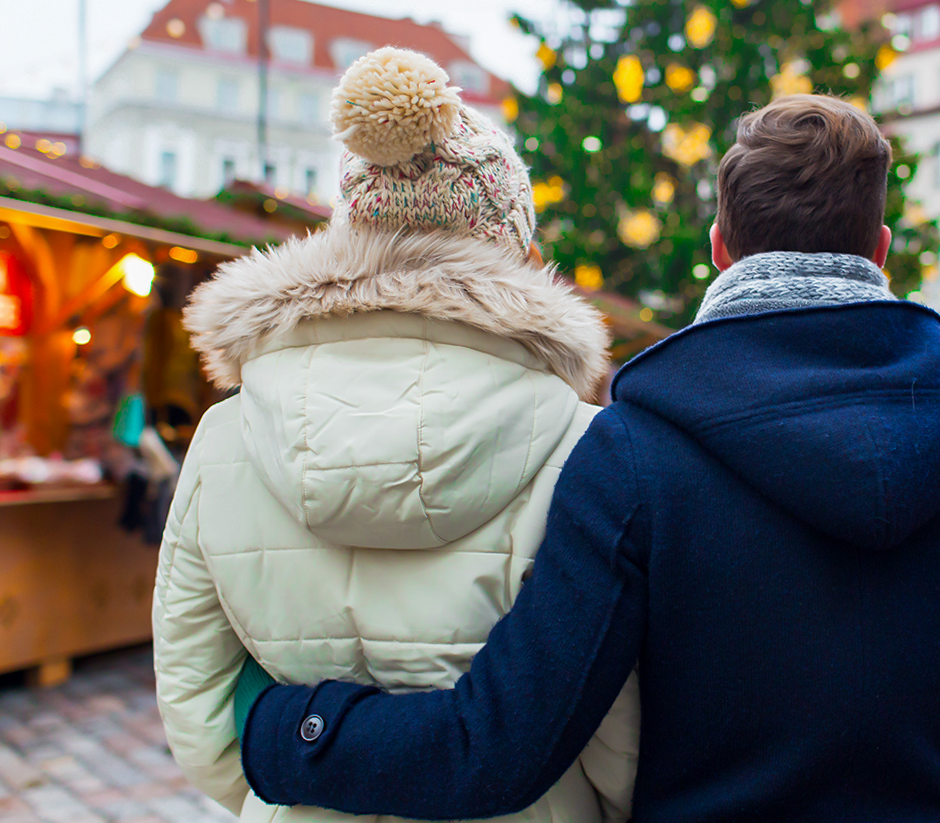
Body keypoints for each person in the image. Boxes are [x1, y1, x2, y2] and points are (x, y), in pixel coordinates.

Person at [229, 93, 940, 821]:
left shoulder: (634, 458)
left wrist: (286, 727)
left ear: (720, 250)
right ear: (881, 252)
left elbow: (496, 750)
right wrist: (921, 728)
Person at [151, 48, 638, 823]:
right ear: (508, 244)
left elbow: (194, 693)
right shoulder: (585, 442)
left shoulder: (225, 435)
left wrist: (293, 786)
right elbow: (614, 715)